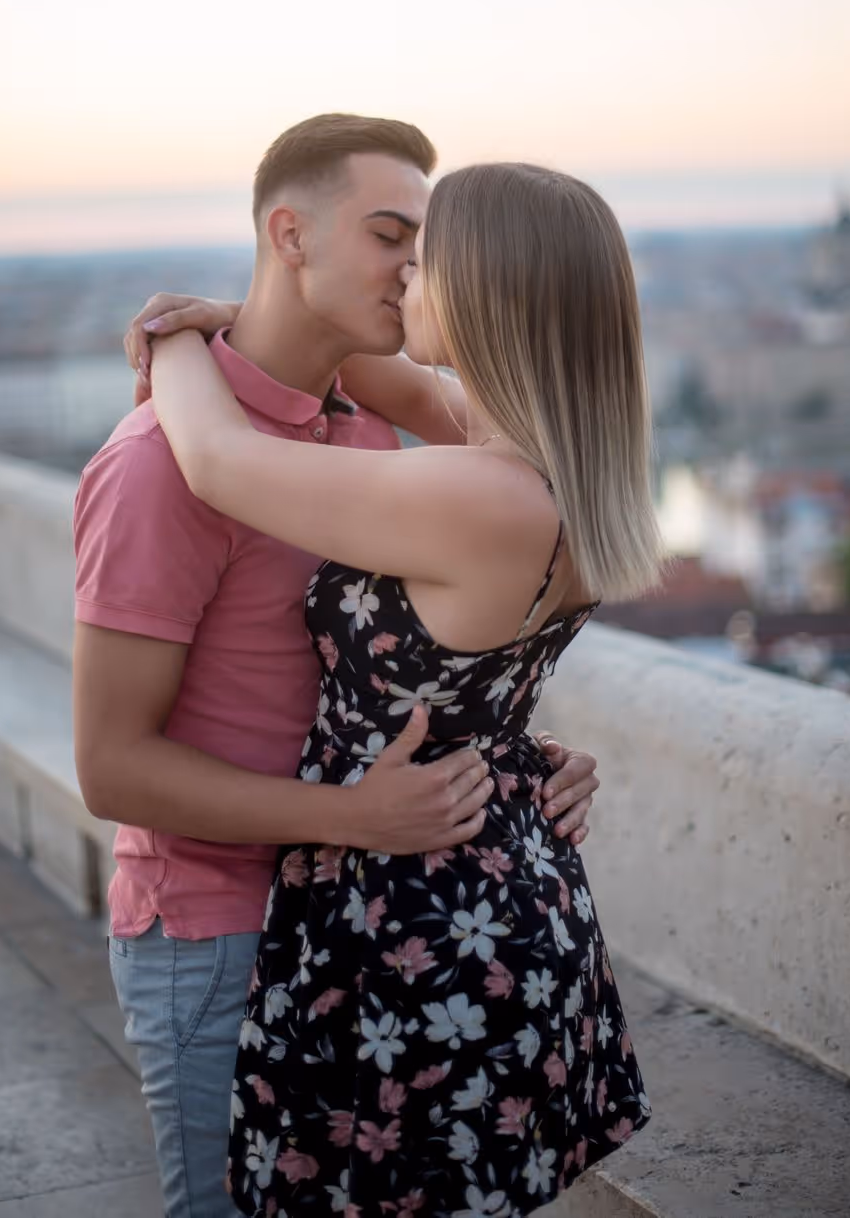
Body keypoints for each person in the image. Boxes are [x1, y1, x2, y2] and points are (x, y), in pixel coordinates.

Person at [73, 115, 599, 1218]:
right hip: (220, 927)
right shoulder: (154, 468)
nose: (414, 268)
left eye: (428, 246)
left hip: (356, 920)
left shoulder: (363, 434)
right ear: (289, 235)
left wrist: (495, 745)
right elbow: (112, 769)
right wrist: (352, 813)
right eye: (388, 235)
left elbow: (394, 664)